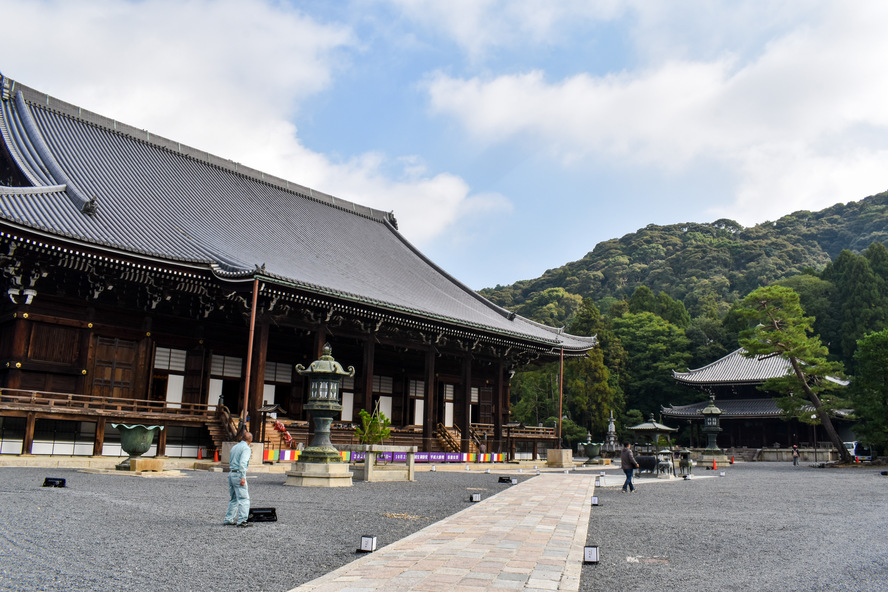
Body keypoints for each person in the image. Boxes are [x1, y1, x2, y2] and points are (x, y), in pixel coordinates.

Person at [224, 431, 253, 527]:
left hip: (231, 473)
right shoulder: (246, 448)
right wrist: (243, 477)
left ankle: (228, 519)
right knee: (243, 498)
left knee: (233, 498)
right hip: (238, 474)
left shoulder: (235, 447)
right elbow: (243, 463)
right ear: (250, 440)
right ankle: (242, 520)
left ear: (241, 438)